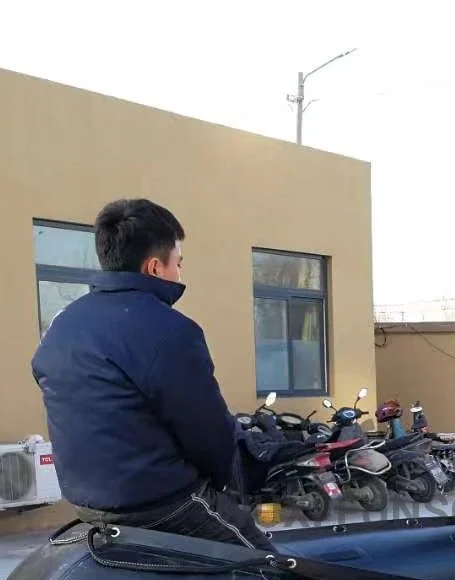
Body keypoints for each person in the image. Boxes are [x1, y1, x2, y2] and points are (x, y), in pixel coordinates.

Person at [31, 197, 275, 550]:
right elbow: (209, 435)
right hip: (162, 504)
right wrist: (229, 480)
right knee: (275, 574)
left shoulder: (62, 326)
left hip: (88, 505)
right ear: (155, 267)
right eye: (178, 262)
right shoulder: (170, 331)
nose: (179, 273)